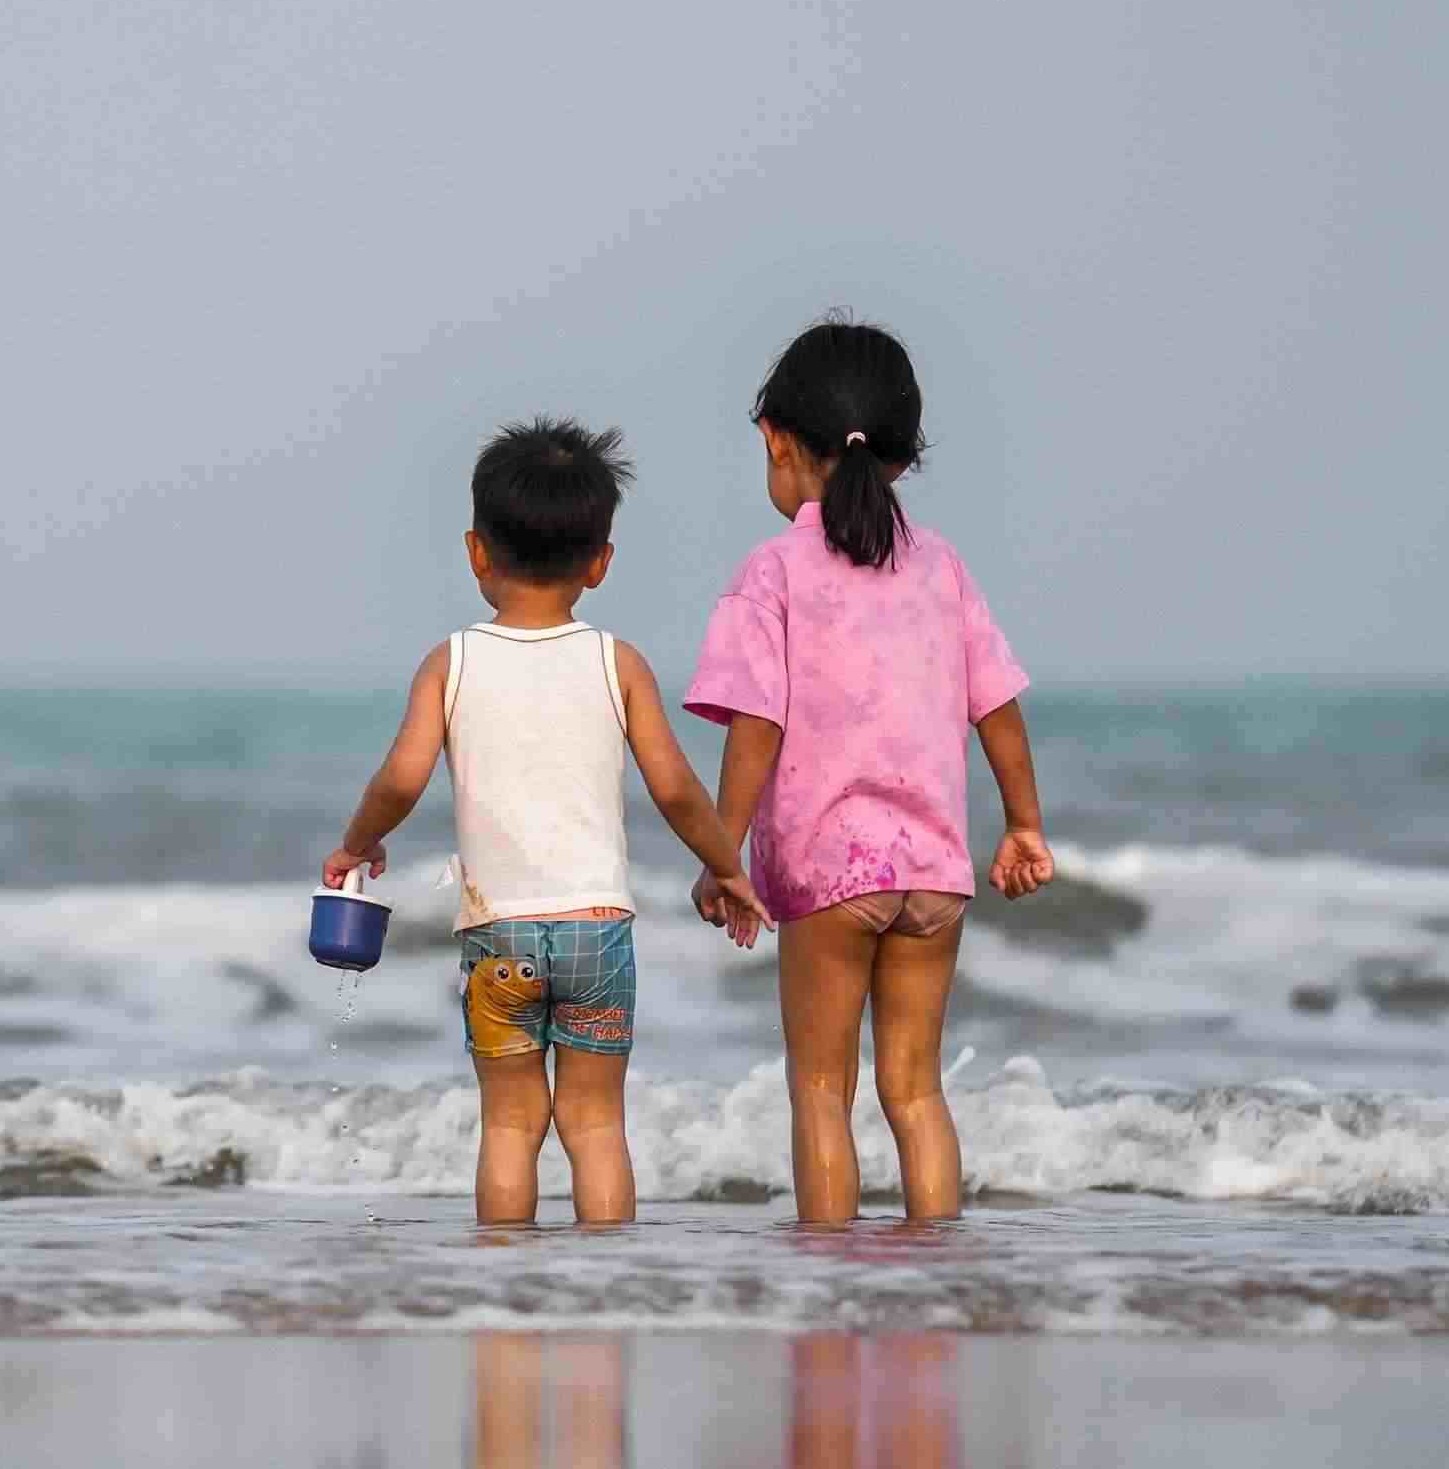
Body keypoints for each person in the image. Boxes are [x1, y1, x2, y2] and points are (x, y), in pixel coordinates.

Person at [322, 418, 765, 1225]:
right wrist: (727, 866)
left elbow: (402, 777)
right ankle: (607, 1281)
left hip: (499, 934)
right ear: (600, 562)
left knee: (509, 1122)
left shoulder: (451, 662)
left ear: (477, 552)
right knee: (595, 1124)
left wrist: (360, 842)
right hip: (597, 927)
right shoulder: (617, 663)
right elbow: (674, 789)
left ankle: (506, 1282)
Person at [680, 320, 1053, 1223]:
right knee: (916, 1091)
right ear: (902, 454)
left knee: (820, 1090)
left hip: (831, 871)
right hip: (934, 871)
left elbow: (757, 725)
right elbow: (997, 705)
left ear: (776, 440)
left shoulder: (772, 572)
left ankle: (829, 1276)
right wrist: (1023, 823)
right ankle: (934, 1267)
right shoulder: (942, 567)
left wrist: (723, 855)